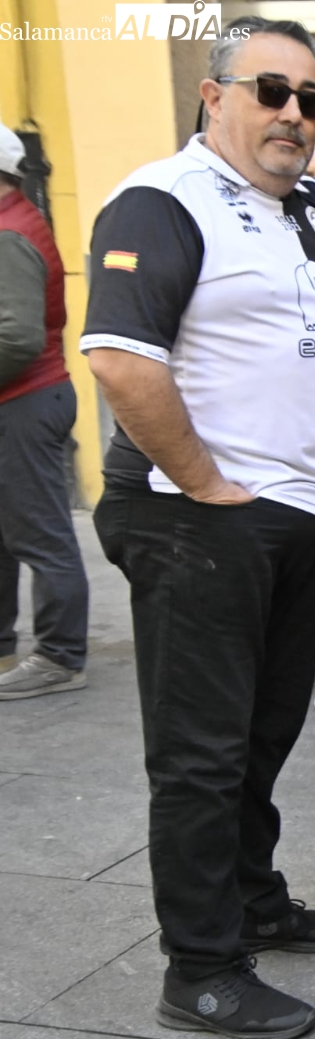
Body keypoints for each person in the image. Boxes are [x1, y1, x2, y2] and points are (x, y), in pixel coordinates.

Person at [83, 17, 315, 1039]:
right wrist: (205, 483)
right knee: (201, 754)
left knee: (262, 734)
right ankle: (202, 968)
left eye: (312, 100)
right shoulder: (163, 198)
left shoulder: (311, 208)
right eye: (272, 91)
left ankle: (252, 899)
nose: (294, 114)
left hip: (294, 515)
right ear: (213, 96)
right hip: (198, 517)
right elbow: (120, 358)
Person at [0, 125, 90, 700]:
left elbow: (17, 338)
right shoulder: (14, 222)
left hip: (25, 403)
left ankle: (60, 656)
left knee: (41, 535)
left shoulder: (8, 234)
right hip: (23, 400)